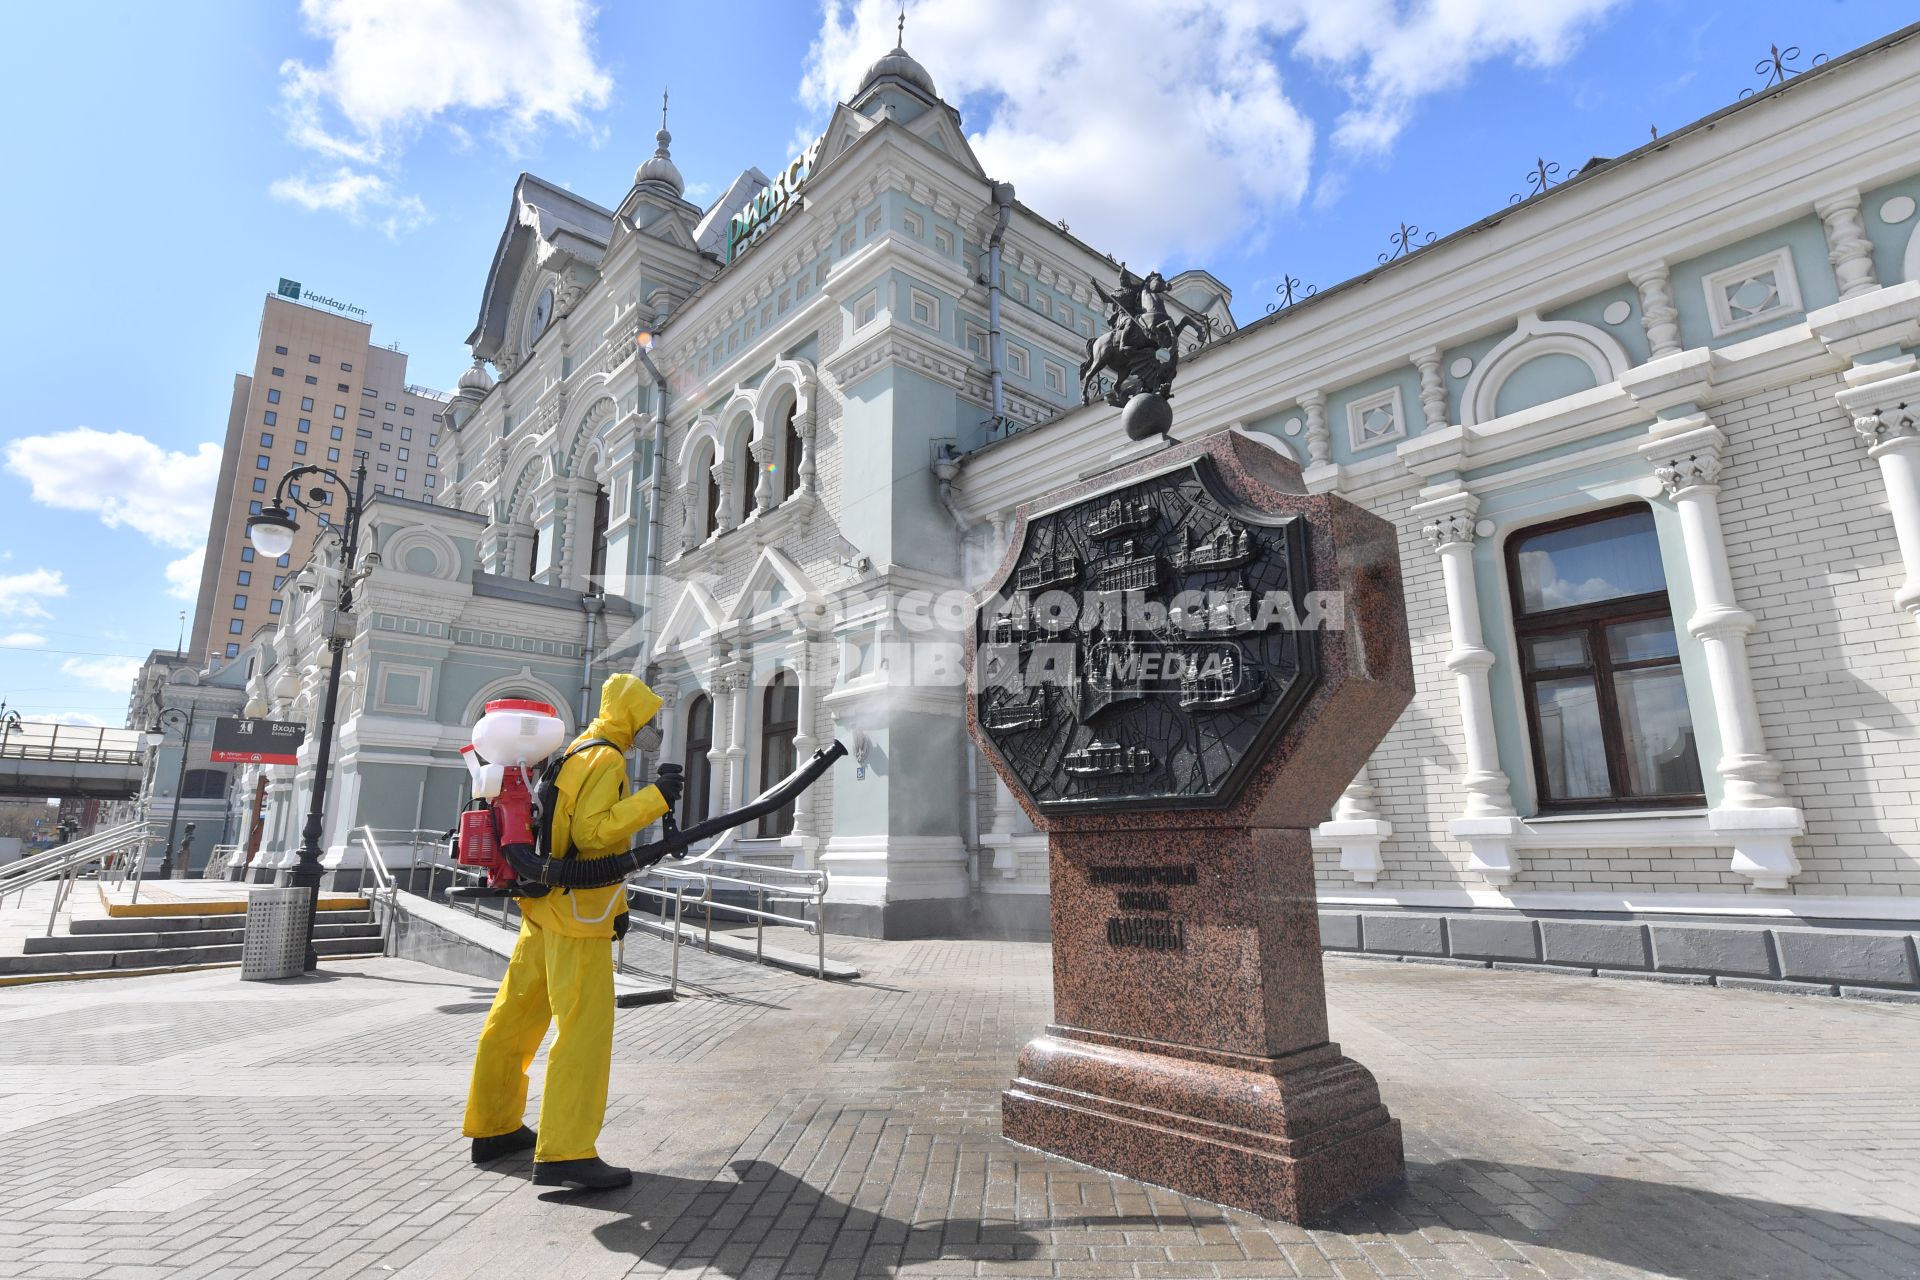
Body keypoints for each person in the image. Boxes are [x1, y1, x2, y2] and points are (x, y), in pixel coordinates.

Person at [462, 672, 684, 1190]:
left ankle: (493, 1127)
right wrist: (655, 799)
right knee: (583, 1033)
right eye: (649, 717)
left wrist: (620, 904)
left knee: (513, 1021)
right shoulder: (606, 758)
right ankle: (566, 1153)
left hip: (543, 911)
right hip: (578, 916)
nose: (653, 727)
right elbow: (593, 833)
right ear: (631, 714)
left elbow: (570, 837)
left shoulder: (575, 750)